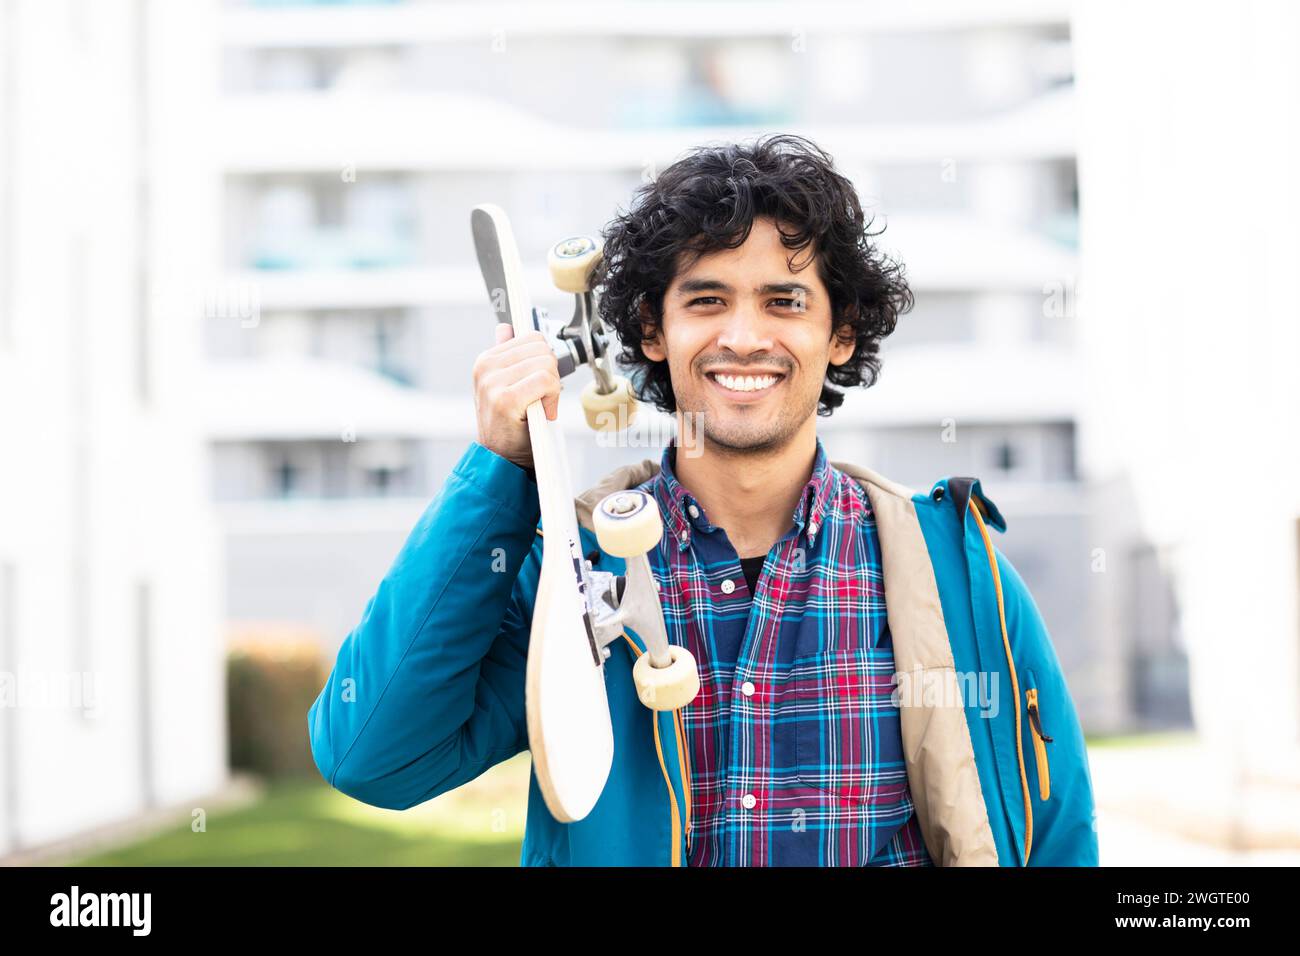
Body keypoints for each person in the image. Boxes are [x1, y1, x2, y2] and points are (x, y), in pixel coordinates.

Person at [308, 134, 1099, 866]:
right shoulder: (572, 577)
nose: (745, 337)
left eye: (785, 302)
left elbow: (1059, 837)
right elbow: (372, 756)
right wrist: (500, 469)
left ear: (842, 334)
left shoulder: (954, 573)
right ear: (653, 330)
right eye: (707, 300)